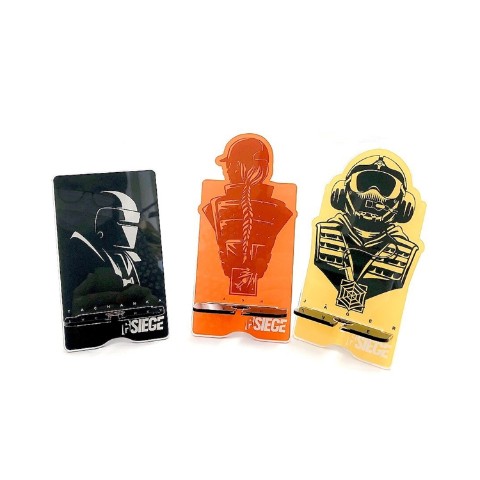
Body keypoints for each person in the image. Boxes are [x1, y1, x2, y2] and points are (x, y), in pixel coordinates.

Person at [315, 155, 418, 313]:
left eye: (386, 186)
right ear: (343, 191)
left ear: (403, 203)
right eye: (364, 183)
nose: (373, 193)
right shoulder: (324, 233)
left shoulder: (404, 251)